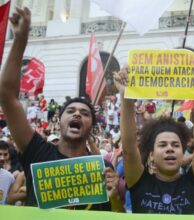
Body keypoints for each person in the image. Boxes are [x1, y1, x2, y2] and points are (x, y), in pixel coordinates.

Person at [0, 7, 122, 211]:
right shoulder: (38, 151)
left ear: (92, 126)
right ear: (59, 120)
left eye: (84, 113)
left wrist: (115, 196)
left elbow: (116, 214)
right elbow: (7, 96)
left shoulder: (103, 168)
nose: (77, 114)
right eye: (71, 111)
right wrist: (20, 41)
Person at [113, 65, 194, 214]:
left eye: (176, 145)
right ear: (151, 154)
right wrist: (125, 97)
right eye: (162, 145)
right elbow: (129, 149)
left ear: (183, 152)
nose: (170, 148)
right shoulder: (139, 181)